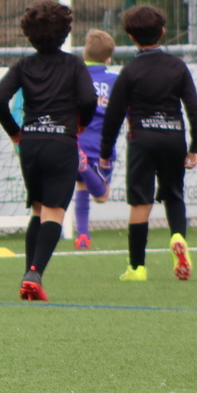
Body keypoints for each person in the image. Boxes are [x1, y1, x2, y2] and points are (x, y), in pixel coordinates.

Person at [0, 0, 97, 302]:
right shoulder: (73, 64)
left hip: (32, 145)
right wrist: (80, 123)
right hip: (61, 143)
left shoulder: (24, 65)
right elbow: (89, 100)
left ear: (29, 33)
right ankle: (34, 273)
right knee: (54, 212)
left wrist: (15, 132)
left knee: (38, 209)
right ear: (65, 31)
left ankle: (30, 277)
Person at [100, 4, 197, 282]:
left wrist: (105, 151)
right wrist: (196, 145)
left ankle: (137, 268)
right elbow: (193, 108)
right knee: (174, 194)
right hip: (173, 138)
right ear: (163, 31)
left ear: (131, 37)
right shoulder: (177, 66)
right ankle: (178, 237)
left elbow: (114, 115)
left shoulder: (130, 70)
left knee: (140, 202)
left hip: (142, 140)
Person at [73, 28, 118, 250]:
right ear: (108, 59)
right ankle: (83, 166)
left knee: (81, 186)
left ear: (84, 53)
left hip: (76, 142)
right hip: (101, 147)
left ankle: (83, 235)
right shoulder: (115, 80)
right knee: (102, 195)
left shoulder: (75, 77)